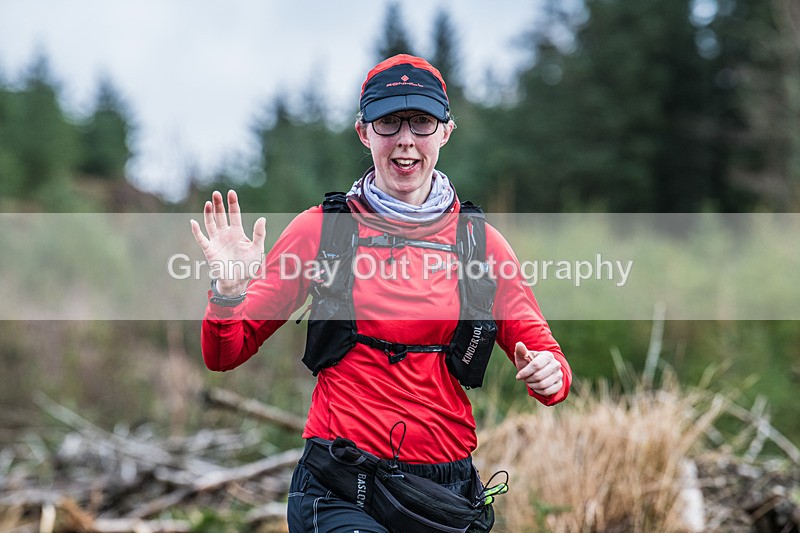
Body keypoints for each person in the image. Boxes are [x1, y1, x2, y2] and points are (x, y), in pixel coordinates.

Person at [191, 54, 571, 532]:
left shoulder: (481, 245)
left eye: (421, 122)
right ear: (363, 132)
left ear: (446, 132)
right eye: (389, 122)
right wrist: (227, 292)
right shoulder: (321, 232)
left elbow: (552, 368)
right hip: (339, 485)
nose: (405, 139)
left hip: (442, 493)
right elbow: (224, 354)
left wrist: (549, 374)